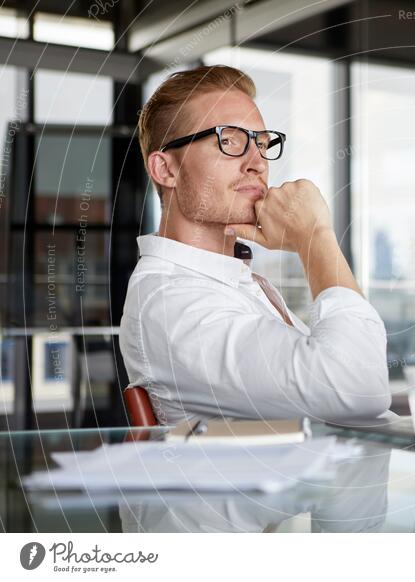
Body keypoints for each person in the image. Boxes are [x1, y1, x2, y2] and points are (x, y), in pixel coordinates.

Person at [119, 65, 391, 425]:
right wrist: (314, 239)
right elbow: (357, 388)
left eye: (262, 143)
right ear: (166, 169)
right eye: (229, 141)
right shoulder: (172, 302)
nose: (258, 163)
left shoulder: (232, 282)